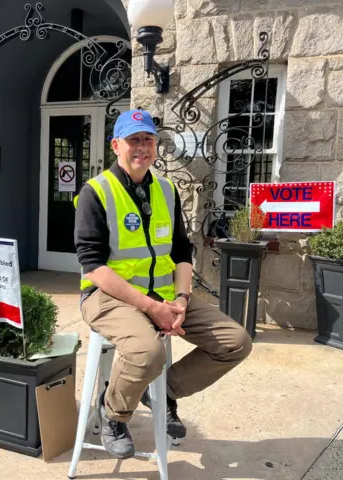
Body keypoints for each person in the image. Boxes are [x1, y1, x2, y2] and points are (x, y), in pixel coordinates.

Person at [73, 109, 252, 459]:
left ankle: (163, 392)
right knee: (148, 352)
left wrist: (182, 298)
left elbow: (183, 251)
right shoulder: (96, 192)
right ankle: (114, 413)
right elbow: (93, 267)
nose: (142, 147)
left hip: (165, 293)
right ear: (116, 145)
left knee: (236, 342)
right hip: (108, 296)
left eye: (149, 139)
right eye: (134, 139)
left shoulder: (167, 191)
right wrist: (152, 308)